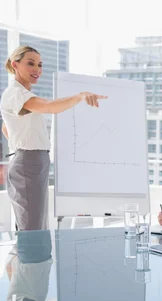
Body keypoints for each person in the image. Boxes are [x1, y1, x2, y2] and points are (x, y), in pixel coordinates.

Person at [1, 45, 106, 231]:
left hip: (31, 161)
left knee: (34, 226)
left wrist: (19, 144)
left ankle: (23, 260)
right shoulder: (16, 93)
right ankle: (26, 260)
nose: (37, 69)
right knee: (32, 229)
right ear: (15, 65)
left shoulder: (21, 94)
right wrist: (81, 95)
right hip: (29, 162)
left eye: (40, 65)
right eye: (30, 63)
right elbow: (50, 106)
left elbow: (6, 127)